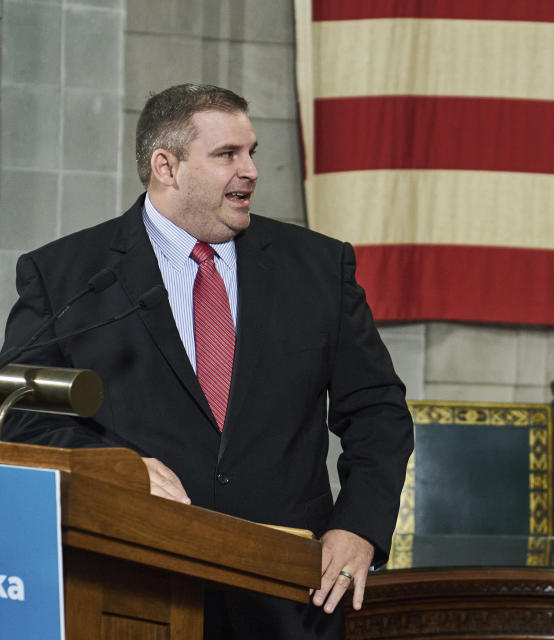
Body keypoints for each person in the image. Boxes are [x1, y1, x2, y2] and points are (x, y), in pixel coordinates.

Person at [0, 84, 414, 639]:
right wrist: (113, 471)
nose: (250, 171)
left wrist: (359, 528)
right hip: (132, 586)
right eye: (227, 155)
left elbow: (378, 412)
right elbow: (22, 413)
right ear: (166, 166)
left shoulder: (318, 267)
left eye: (252, 152)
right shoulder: (68, 276)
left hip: (288, 591)